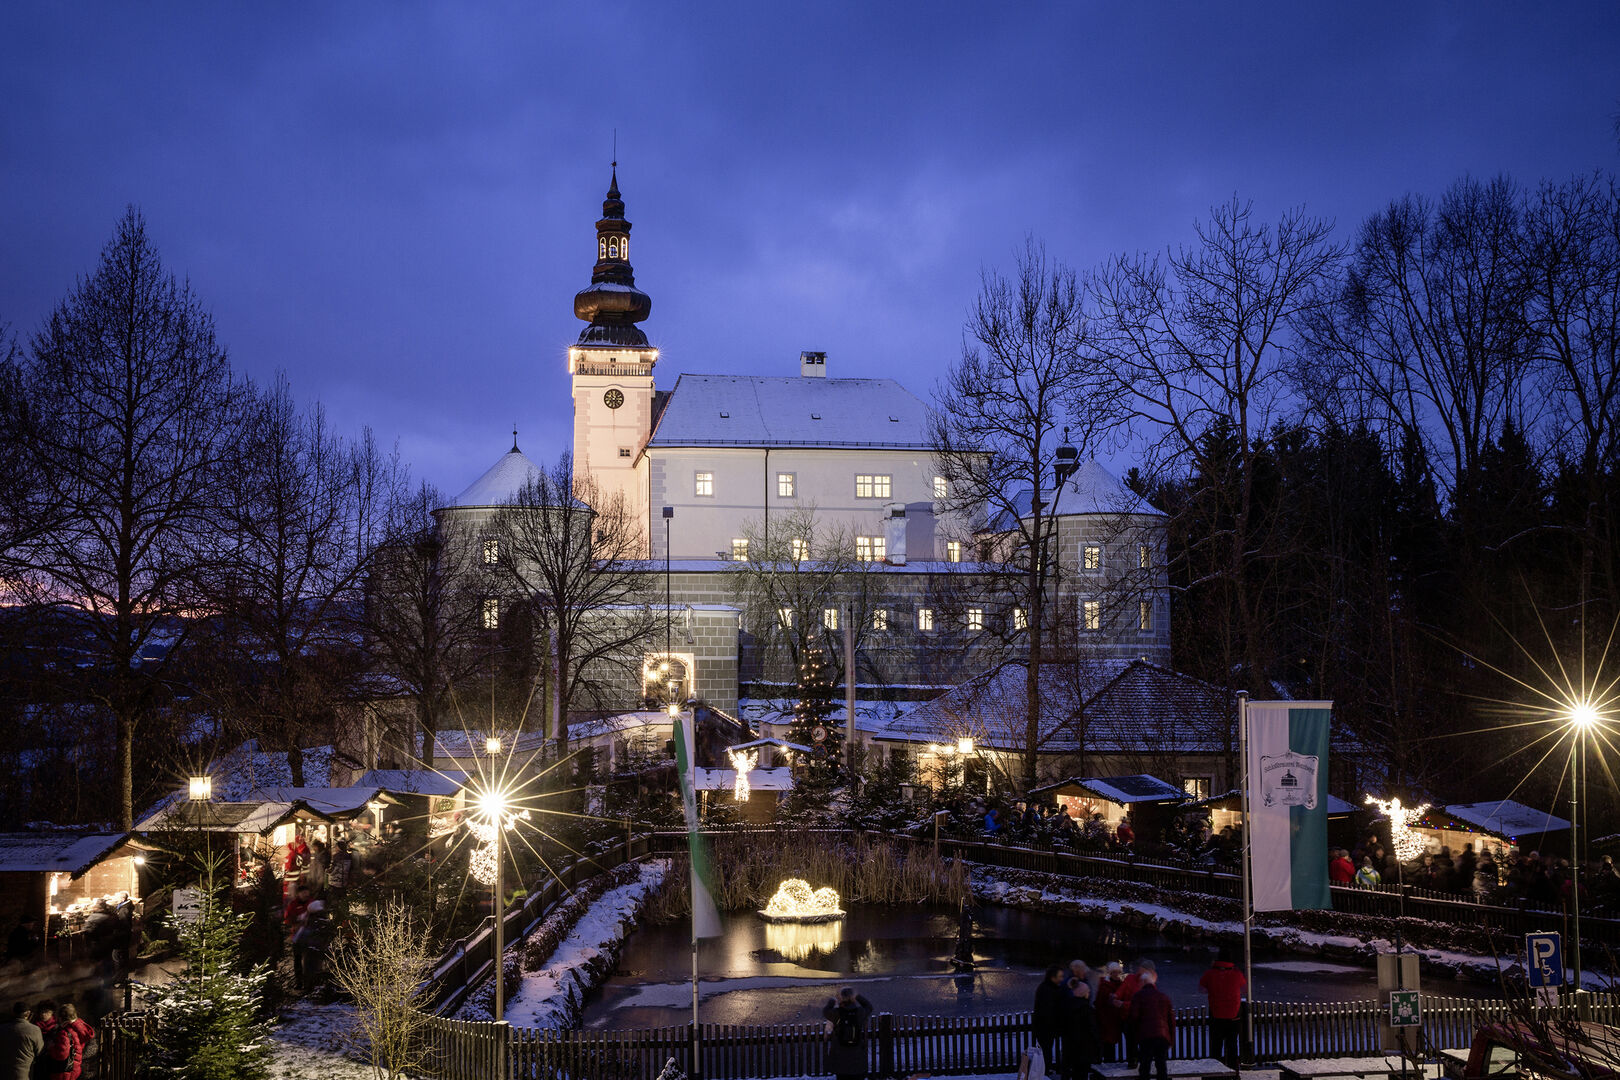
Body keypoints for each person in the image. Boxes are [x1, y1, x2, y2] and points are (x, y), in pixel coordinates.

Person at [1198, 949, 1246, 1066]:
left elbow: (1201, 989)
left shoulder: (1210, 973)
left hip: (1216, 1015)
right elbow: (1244, 989)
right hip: (1233, 1016)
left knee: (1216, 1047)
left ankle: (1215, 1073)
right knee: (1232, 1046)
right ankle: (1233, 1072)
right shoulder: (1237, 974)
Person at [1127, 969, 1174, 1080]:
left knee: (1145, 1065)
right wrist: (1171, 1039)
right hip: (1162, 1036)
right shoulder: (1164, 997)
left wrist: (1134, 1036)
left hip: (1146, 1036)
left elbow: (1133, 1018)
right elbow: (1171, 1020)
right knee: (1161, 1065)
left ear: (1142, 982)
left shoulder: (1138, 996)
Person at [822, 986, 873, 1080]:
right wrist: (857, 996)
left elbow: (825, 1012)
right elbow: (869, 1006)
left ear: (841, 998)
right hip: (856, 1052)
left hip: (840, 1053)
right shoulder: (860, 1012)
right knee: (857, 1075)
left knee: (842, 1076)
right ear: (853, 997)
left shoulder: (836, 1013)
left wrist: (832, 1002)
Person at [1063, 976, 1101, 1080]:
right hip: (1084, 1049)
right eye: (1087, 992)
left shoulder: (1067, 1007)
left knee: (1073, 1073)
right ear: (1084, 993)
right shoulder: (1087, 1010)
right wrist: (1097, 1046)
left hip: (1070, 1047)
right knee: (1082, 1074)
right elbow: (1093, 1030)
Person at [32, 1001, 81, 1080]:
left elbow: (63, 1050)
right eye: (41, 1012)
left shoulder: (58, 1027)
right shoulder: (34, 1027)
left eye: (46, 1012)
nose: (43, 1014)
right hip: (38, 1063)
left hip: (54, 1064)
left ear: (52, 1013)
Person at [1033, 965, 1068, 1074]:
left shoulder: (1049, 987)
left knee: (1046, 1050)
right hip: (1046, 1027)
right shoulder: (1047, 990)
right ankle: (1045, 1072)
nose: (1062, 979)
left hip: (1047, 1027)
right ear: (1053, 977)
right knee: (1046, 1051)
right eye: (1060, 976)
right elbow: (1048, 1011)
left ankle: (1046, 1070)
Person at [1114, 960, 1149, 1066]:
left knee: (1138, 1040)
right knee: (1130, 1039)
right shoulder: (1130, 978)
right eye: (1140, 967)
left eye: (1143, 968)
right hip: (1128, 1016)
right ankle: (1133, 1060)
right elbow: (1122, 989)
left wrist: (1123, 1004)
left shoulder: (1147, 983)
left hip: (1140, 1017)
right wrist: (1116, 996)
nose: (1140, 970)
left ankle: (1138, 1059)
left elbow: (1141, 1003)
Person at [0, 1001, 43, 1080]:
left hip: (3, 1073)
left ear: (13, 1013)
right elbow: (39, 1051)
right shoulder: (34, 1030)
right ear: (28, 1013)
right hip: (23, 1074)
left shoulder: (2, 1028)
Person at [1096, 962, 1125, 1062]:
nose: (1117, 975)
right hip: (1107, 1020)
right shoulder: (1105, 986)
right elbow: (1100, 1003)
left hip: (1115, 1019)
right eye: (1114, 972)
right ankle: (1108, 1063)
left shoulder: (1120, 985)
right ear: (1110, 973)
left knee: (1110, 1043)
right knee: (1108, 1043)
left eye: (1118, 972)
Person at [57, 1003, 94, 1079]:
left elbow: (62, 1054)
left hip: (68, 1068)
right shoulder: (79, 1026)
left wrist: (51, 1049)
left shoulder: (67, 1031)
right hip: (76, 1065)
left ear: (61, 1018)